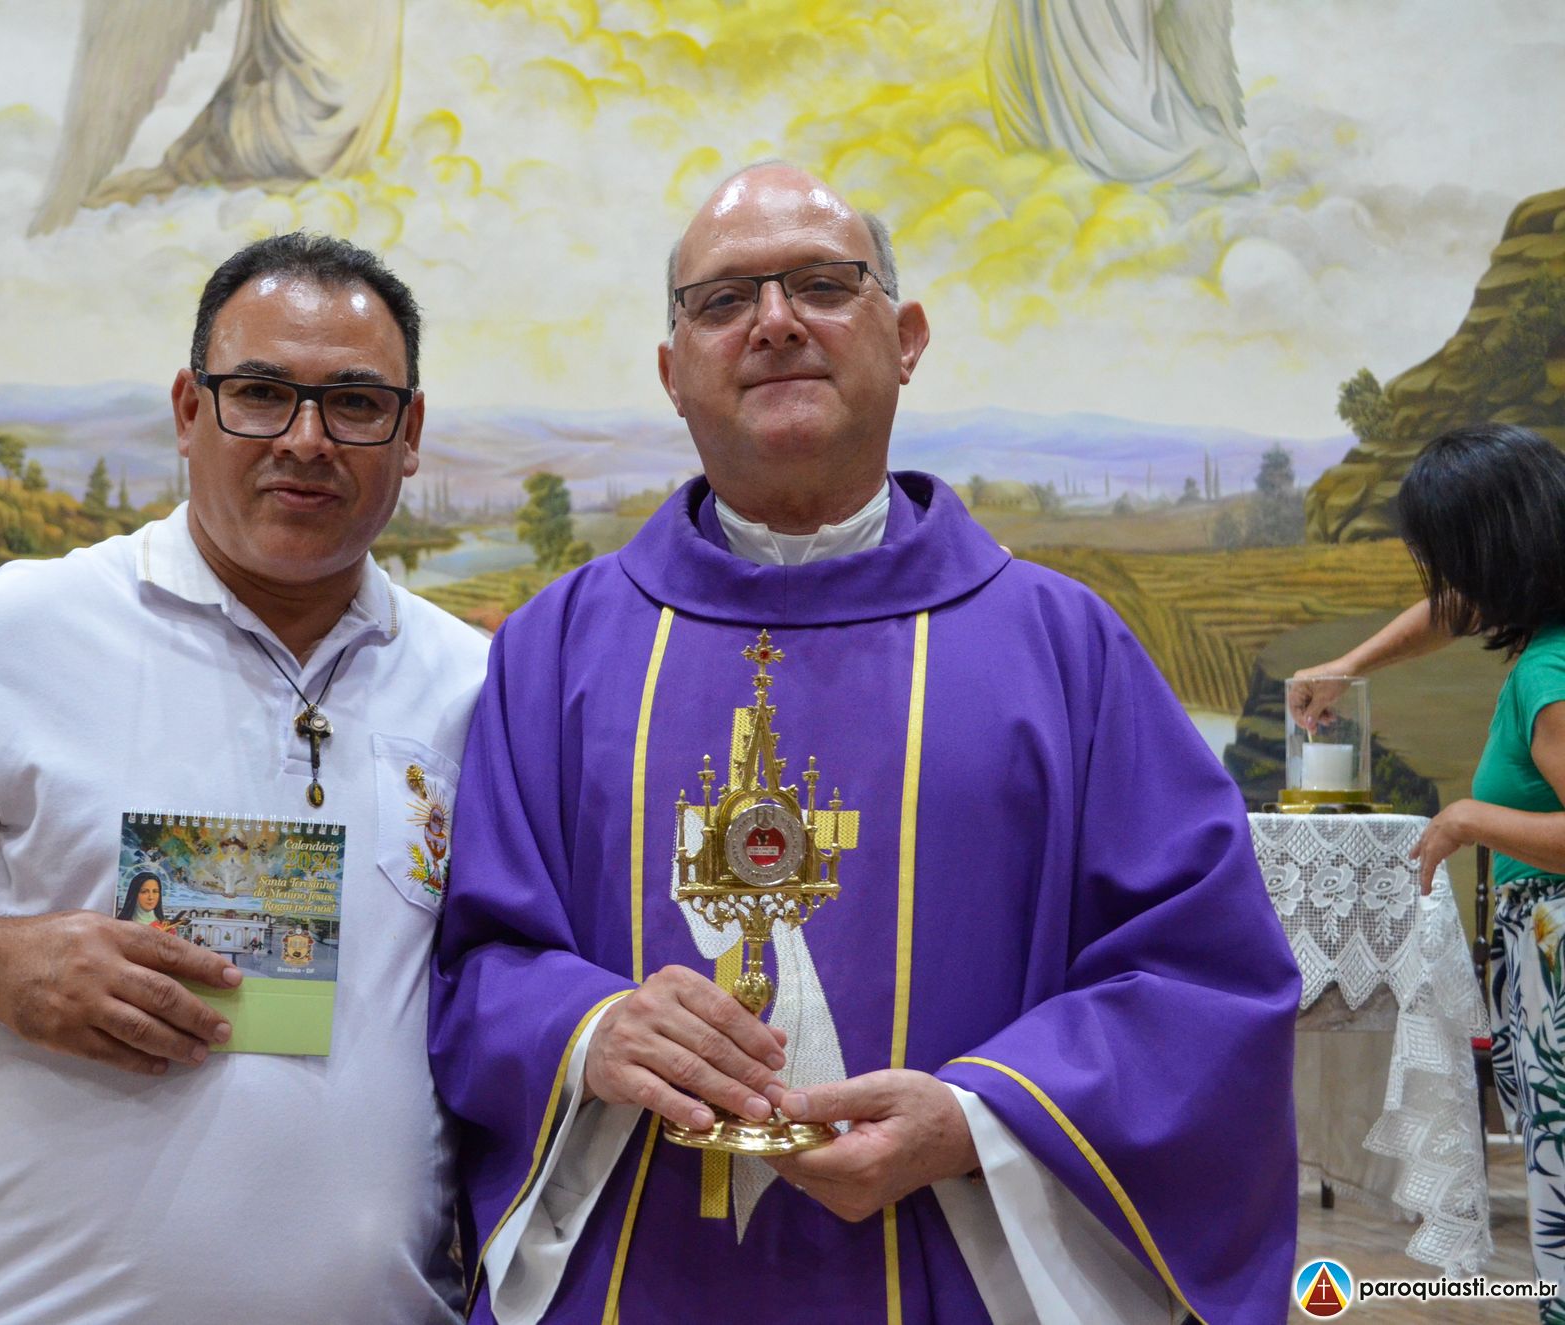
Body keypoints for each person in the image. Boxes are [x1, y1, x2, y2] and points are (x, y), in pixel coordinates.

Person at [430, 163, 1299, 1323]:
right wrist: (589, 1029)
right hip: (634, 1273)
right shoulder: (555, 650)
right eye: (722, 299)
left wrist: (982, 1115)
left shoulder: (1063, 648)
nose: (774, 322)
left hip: (954, 1265)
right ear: (671, 371)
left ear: (906, 337)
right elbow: (472, 964)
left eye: (823, 284)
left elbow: (1201, 981)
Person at [0, 232, 489, 1323]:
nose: (305, 439)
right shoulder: (15, 631)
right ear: (188, 409)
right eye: (260, 393)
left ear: (408, 434)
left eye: (355, 403)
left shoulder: (474, 685)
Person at [1290, 422, 1565, 1318]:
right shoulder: (1552, 628)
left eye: (1452, 562)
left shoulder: (1549, 676)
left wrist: (1466, 818)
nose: (1446, 586)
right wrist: (1349, 665)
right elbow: (1460, 607)